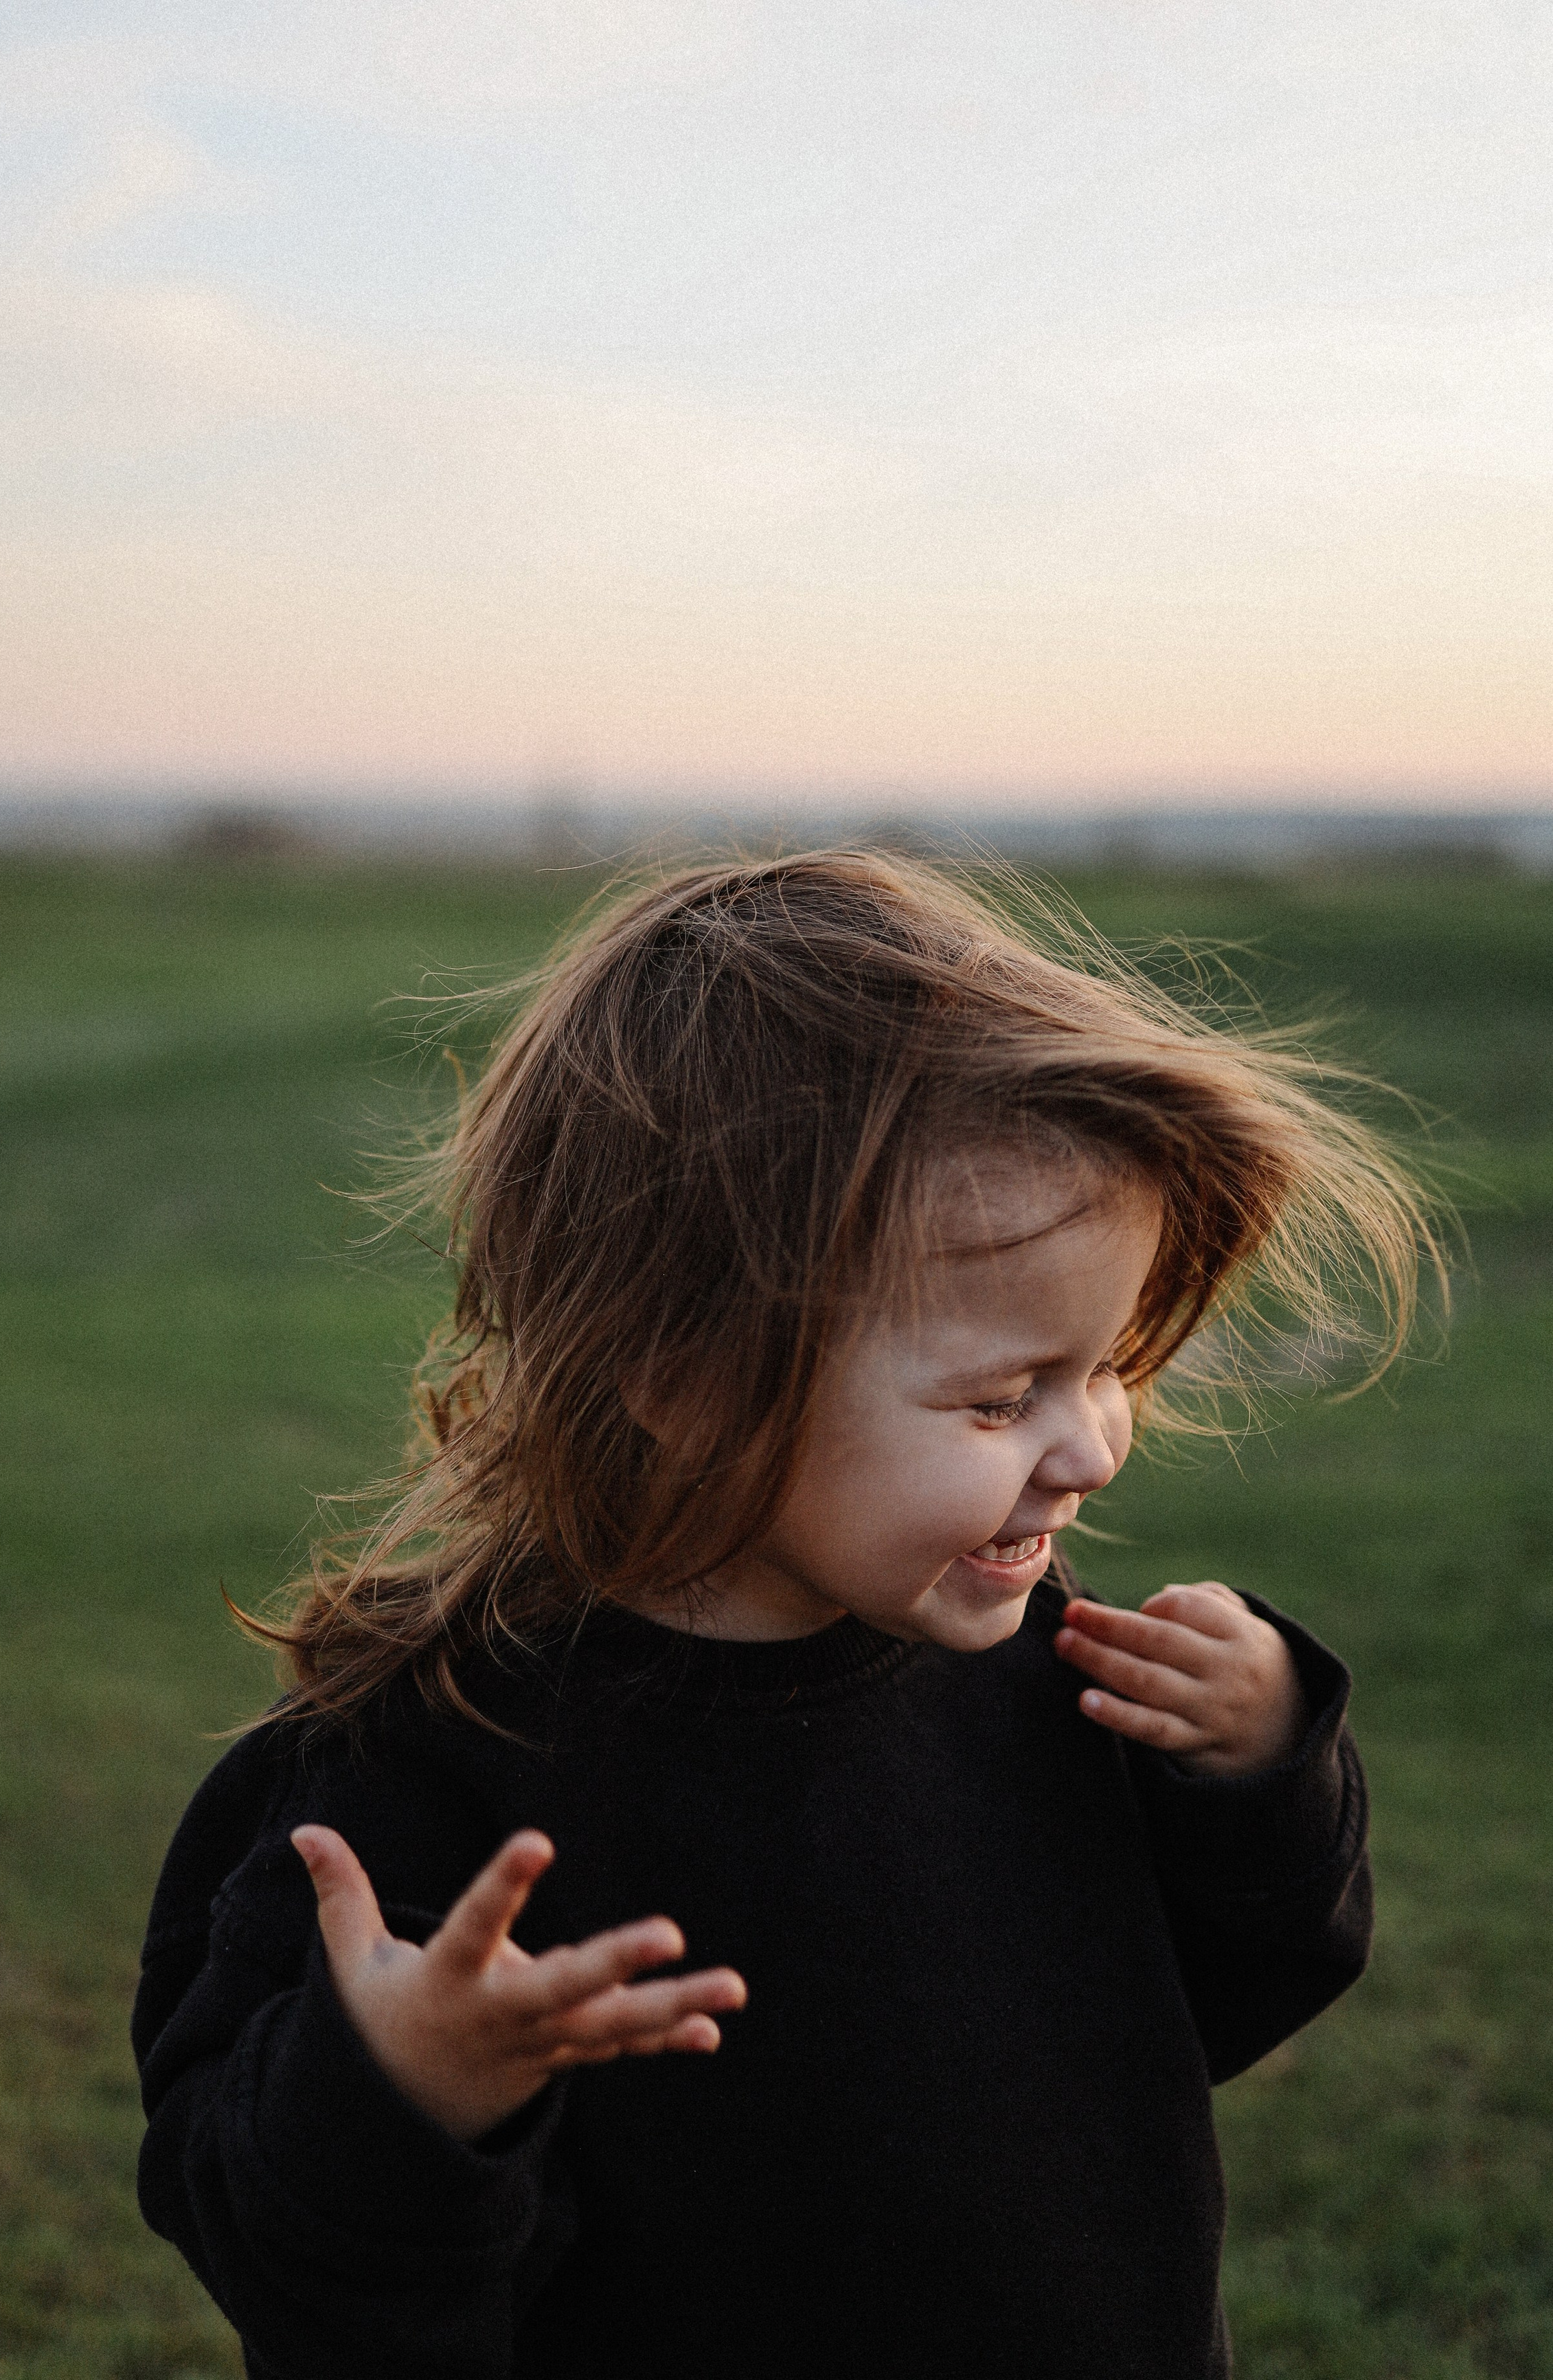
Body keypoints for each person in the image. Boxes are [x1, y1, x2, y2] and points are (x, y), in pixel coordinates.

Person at [133, 851, 1433, 2379]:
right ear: (683, 1375)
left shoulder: (1038, 1671)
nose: (1085, 1449)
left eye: (1102, 1369)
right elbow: (277, 2254)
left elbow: (1206, 2011)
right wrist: (407, 2093)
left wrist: (1257, 1773)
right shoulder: (430, 1762)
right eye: (998, 1396)